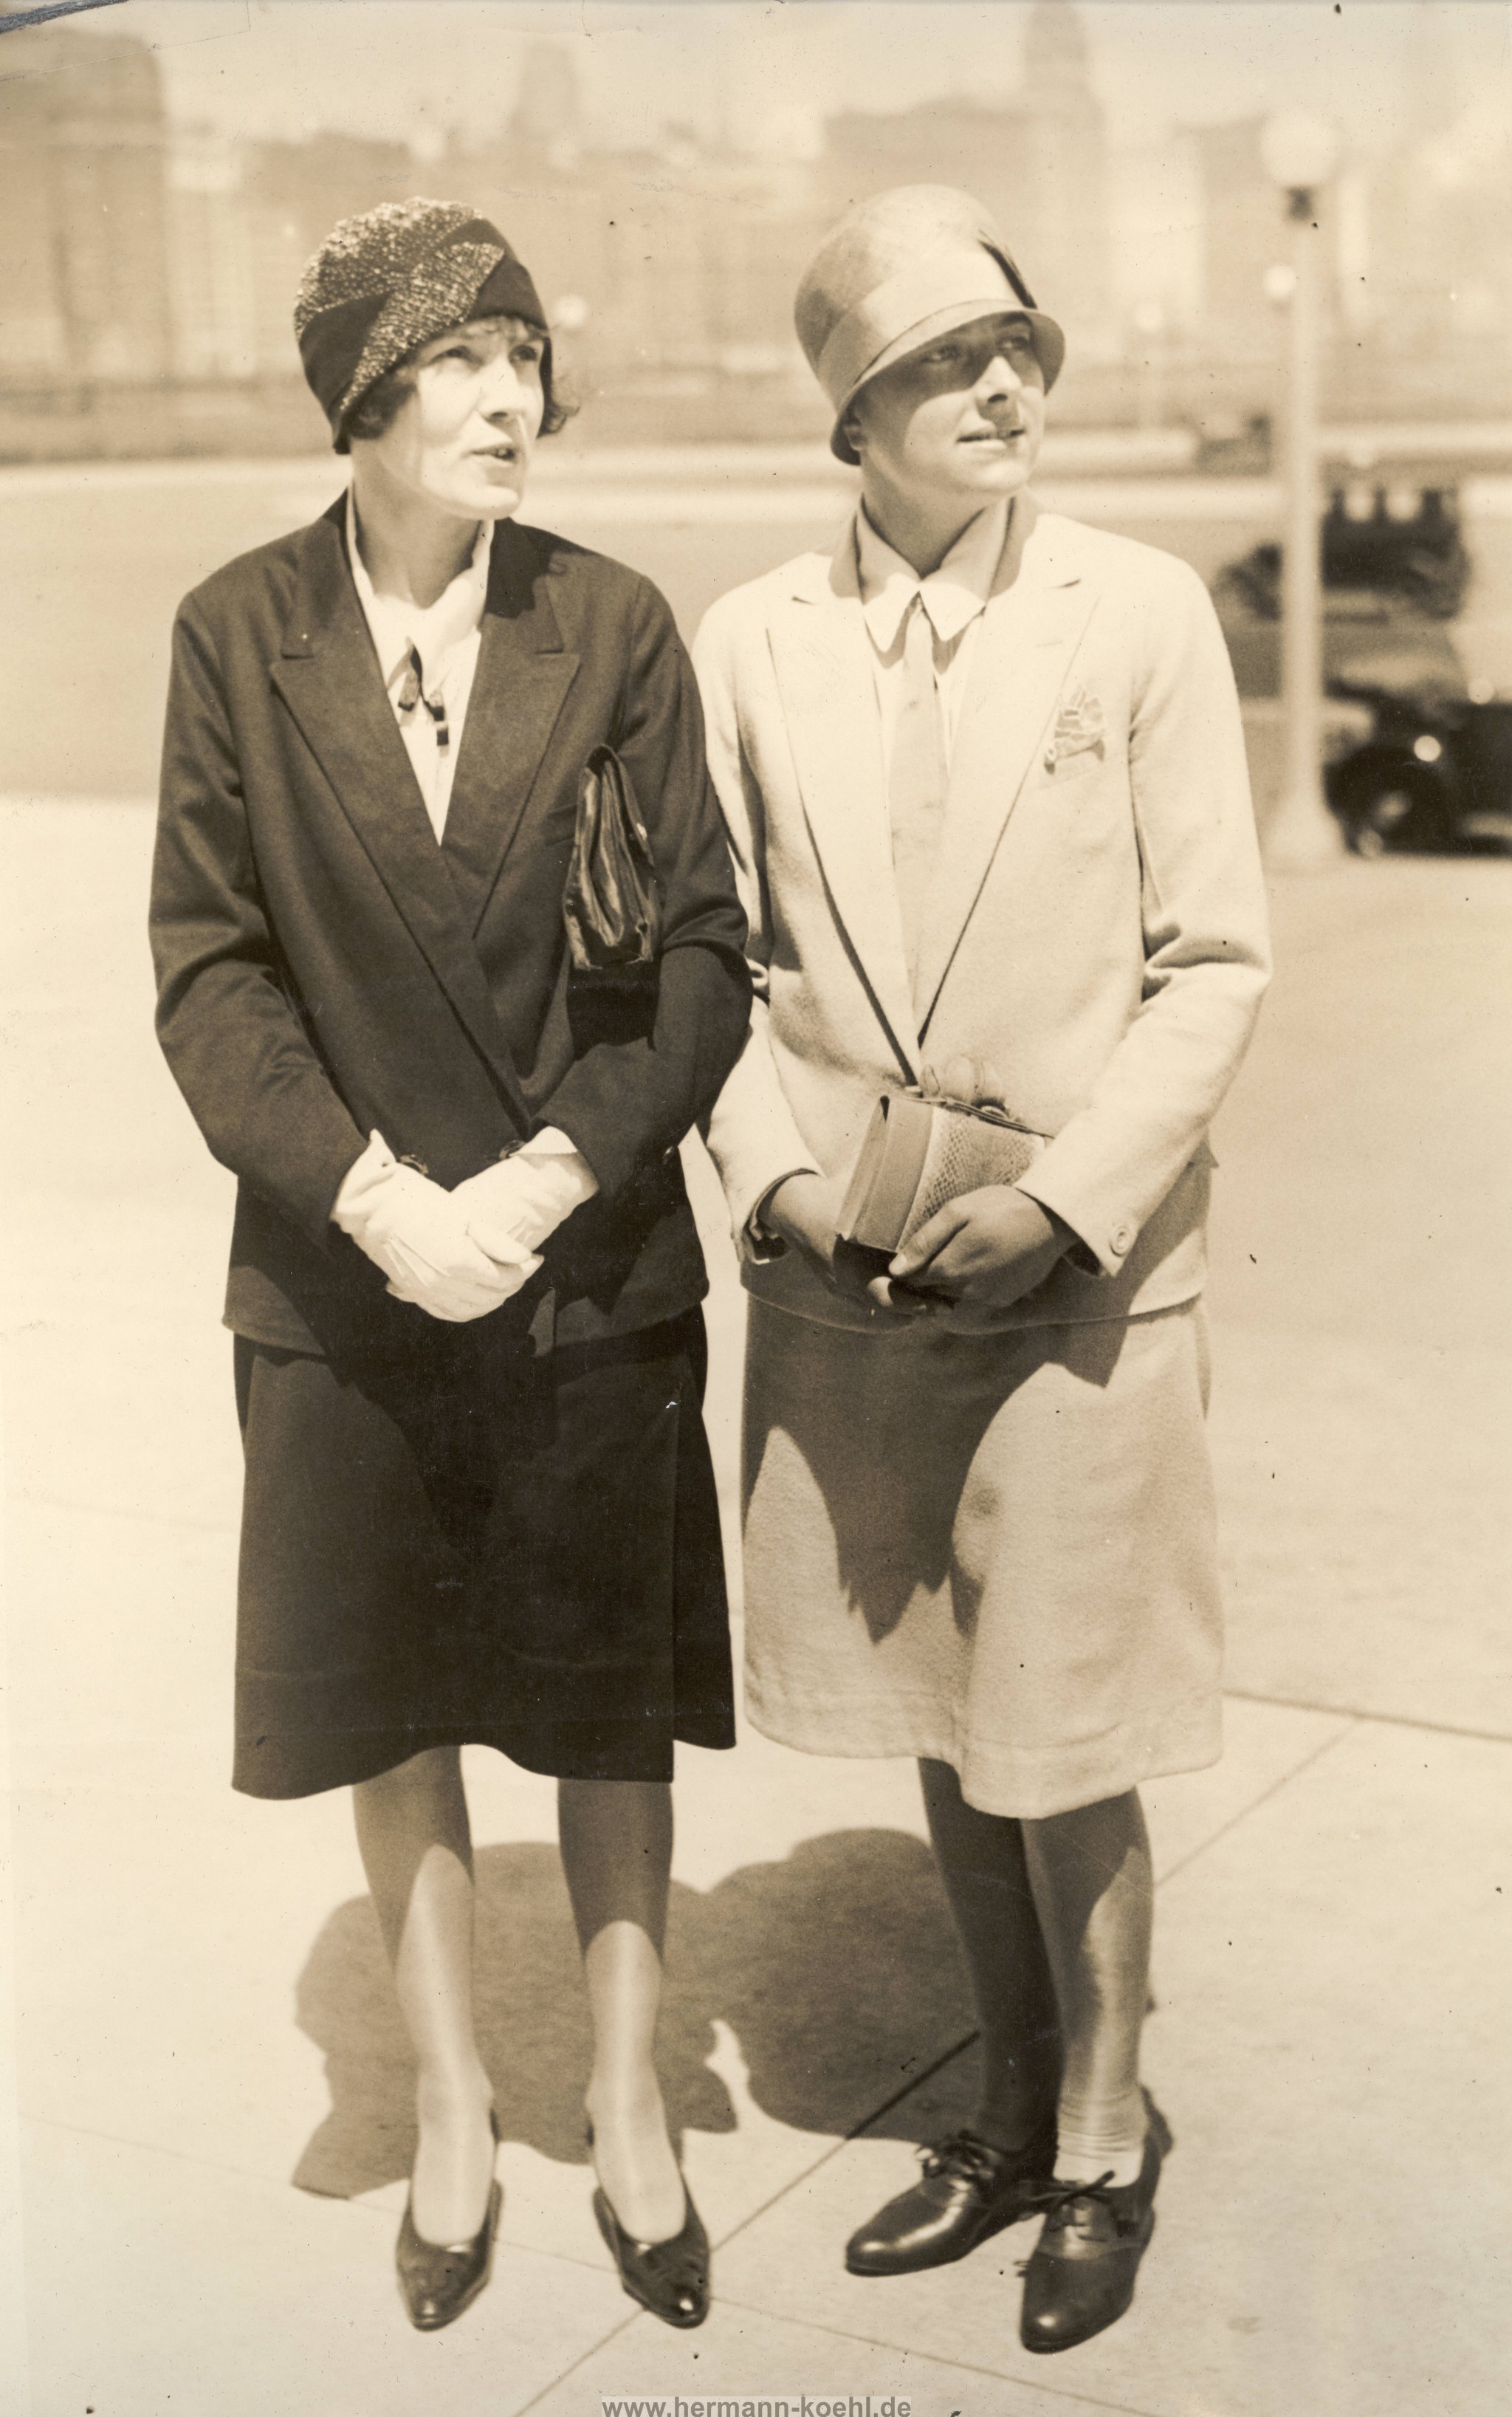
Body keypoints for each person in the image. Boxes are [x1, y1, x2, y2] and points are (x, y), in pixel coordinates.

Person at [150, 199, 751, 2334]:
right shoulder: (238, 634)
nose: (514, 399)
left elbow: (705, 953)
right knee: (393, 1700)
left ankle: (628, 2093)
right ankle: (454, 2107)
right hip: (347, 1284)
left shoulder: (616, 624)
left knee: (604, 1705)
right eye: (461, 364)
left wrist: (555, 1172)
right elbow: (211, 971)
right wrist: (378, 1199)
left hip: (589, 1275)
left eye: (527, 360)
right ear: (360, 400)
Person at [698, 185, 1270, 2353]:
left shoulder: (1140, 613)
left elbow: (1213, 961)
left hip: (1084, 1278)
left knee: (1068, 1718)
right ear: (850, 418)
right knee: (946, 1702)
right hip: (856, 1278)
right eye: (941, 363)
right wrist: (774, 1186)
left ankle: (1107, 2137)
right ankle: (1014, 2102)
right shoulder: (753, 640)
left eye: (1014, 345)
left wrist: (1074, 1197)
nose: (1000, 385)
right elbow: (714, 963)